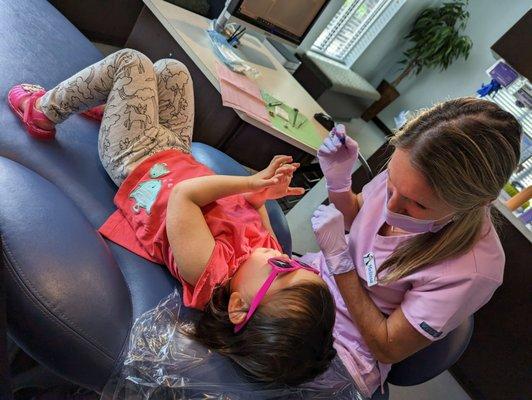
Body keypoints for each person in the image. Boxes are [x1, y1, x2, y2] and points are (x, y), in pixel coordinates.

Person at [8, 49, 336, 386]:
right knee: (173, 71)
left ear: (239, 306)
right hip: (175, 154)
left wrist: (248, 182)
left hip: (135, 160)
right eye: (300, 265)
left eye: (285, 270)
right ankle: (114, 110)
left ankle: (42, 111)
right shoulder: (265, 257)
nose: (285, 257)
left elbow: (185, 196)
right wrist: (261, 196)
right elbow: (254, 212)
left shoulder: (209, 270)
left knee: (131, 63)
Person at [305, 100, 522, 397]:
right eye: (391, 185)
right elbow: (361, 216)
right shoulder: (409, 175)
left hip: (348, 346)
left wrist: (341, 265)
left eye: (417, 205)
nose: (391, 206)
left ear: (476, 203)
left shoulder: (473, 270)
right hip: (311, 285)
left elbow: (386, 346)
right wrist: (338, 182)